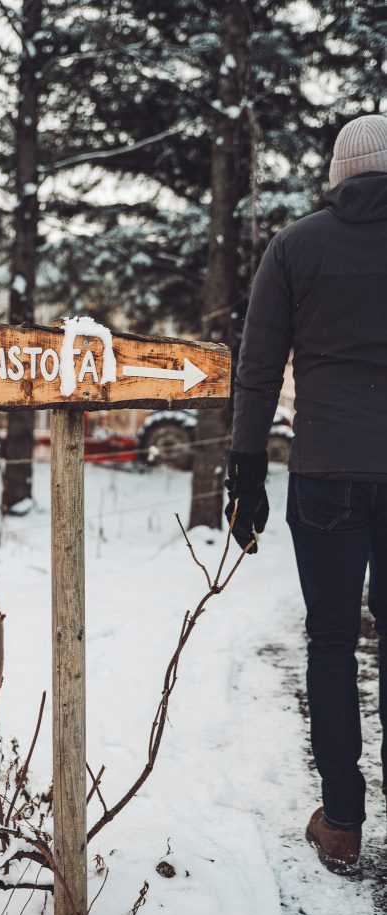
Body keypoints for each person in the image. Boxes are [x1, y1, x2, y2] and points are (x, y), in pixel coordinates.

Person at [226, 114, 387, 873]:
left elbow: (258, 369)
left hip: (327, 471)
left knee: (330, 642)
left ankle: (343, 822)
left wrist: (246, 472)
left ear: (338, 175)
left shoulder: (295, 246)